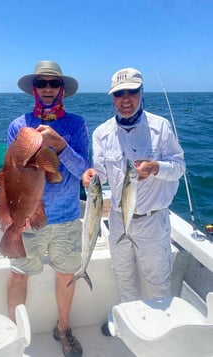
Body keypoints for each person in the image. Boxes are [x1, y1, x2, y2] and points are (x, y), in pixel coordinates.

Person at [82, 67, 185, 336]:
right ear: (112, 98)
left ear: (141, 93)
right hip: (118, 219)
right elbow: (101, 173)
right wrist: (92, 175)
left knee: (157, 283)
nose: (125, 99)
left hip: (153, 222)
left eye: (131, 92)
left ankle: (157, 332)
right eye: (118, 94)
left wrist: (155, 168)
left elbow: (179, 166)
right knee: (124, 277)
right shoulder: (102, 133)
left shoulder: (160, 126)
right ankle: (130, 325)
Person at [5, 60, 89, 356]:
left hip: (66, 218)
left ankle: (63, 329)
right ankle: (15, 336)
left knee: (66, 275)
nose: (49, 88)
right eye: (42, 83)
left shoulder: (76, 124)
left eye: (54, 83)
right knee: (19, 273)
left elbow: (85, 172)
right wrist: (14, 215)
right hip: (27, 219)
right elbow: (11, 176)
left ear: (62, 88)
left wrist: (59, 144)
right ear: (34, 89)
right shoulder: (18, 125)